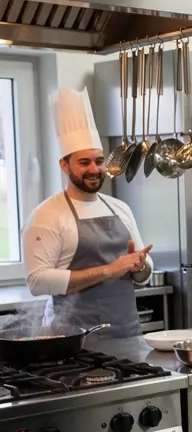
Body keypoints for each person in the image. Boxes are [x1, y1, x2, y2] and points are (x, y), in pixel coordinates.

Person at [23, 87, 152, 338]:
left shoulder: (119, 208)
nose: (94, 169)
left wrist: (140, 266)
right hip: (72, 342)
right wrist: (108, 270)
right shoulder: (47, 216)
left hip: (127, 335)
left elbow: (143, 274)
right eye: (84, 163)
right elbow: (36, 281)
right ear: (64, 165)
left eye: (99, 161)